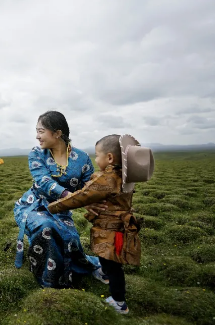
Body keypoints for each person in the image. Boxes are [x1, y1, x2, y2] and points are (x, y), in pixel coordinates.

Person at [48, 134, 154, 314]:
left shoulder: (108, 179)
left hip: (110, 231)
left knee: (113, 265)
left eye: (97, 155)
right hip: (117, 229)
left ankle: (119, 302)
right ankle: (105, 276)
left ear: (110, 158)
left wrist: (53, 207)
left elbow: (82, 197)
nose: (95, 159)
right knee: (108, 260)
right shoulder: (124, 176)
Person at [13, 111, 108, 289]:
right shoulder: (36, 154)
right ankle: (48, 281)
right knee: (46, 228)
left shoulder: (82, 158)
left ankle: (83, 268)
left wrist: (92, 201)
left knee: (70, 239)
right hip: (33, 206)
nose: (37, 136)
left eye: (41, 131)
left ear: (57, 133)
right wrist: (72, 197)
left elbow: (89, 186)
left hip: (61, 211)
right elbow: (43, 181)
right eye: (37, 131)